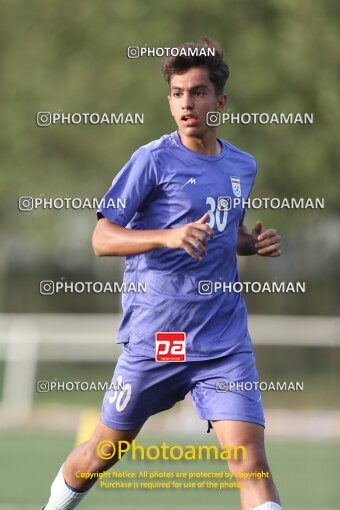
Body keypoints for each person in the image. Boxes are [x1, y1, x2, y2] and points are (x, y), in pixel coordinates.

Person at [42, 37, 282, 510]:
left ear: (220, 100)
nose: (187, 104)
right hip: (159, 337)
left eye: (197, 92)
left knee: (249, 460)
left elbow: (221, 231)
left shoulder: (242, 165)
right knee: (101, 453)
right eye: (177, 93)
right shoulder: (151, 160)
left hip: (222, 339)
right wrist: (166, 236)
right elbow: (102, 238)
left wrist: (249, 243)